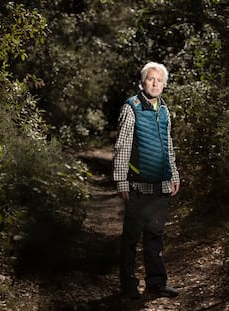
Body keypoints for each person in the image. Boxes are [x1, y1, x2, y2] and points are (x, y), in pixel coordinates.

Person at [113, 61, 180, 299]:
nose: (155, 83)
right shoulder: (131, 107)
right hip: (138, 186)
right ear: (143, 82)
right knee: (131, 237)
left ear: (163, 84)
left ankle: (156, 284)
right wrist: (121, 181)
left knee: (155, 236)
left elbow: (168, 146)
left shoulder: (164, 110)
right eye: (151, 79)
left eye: (159, 80)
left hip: (160, 186)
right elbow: (122, 146)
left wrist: (174, 174)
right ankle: (128, 283)